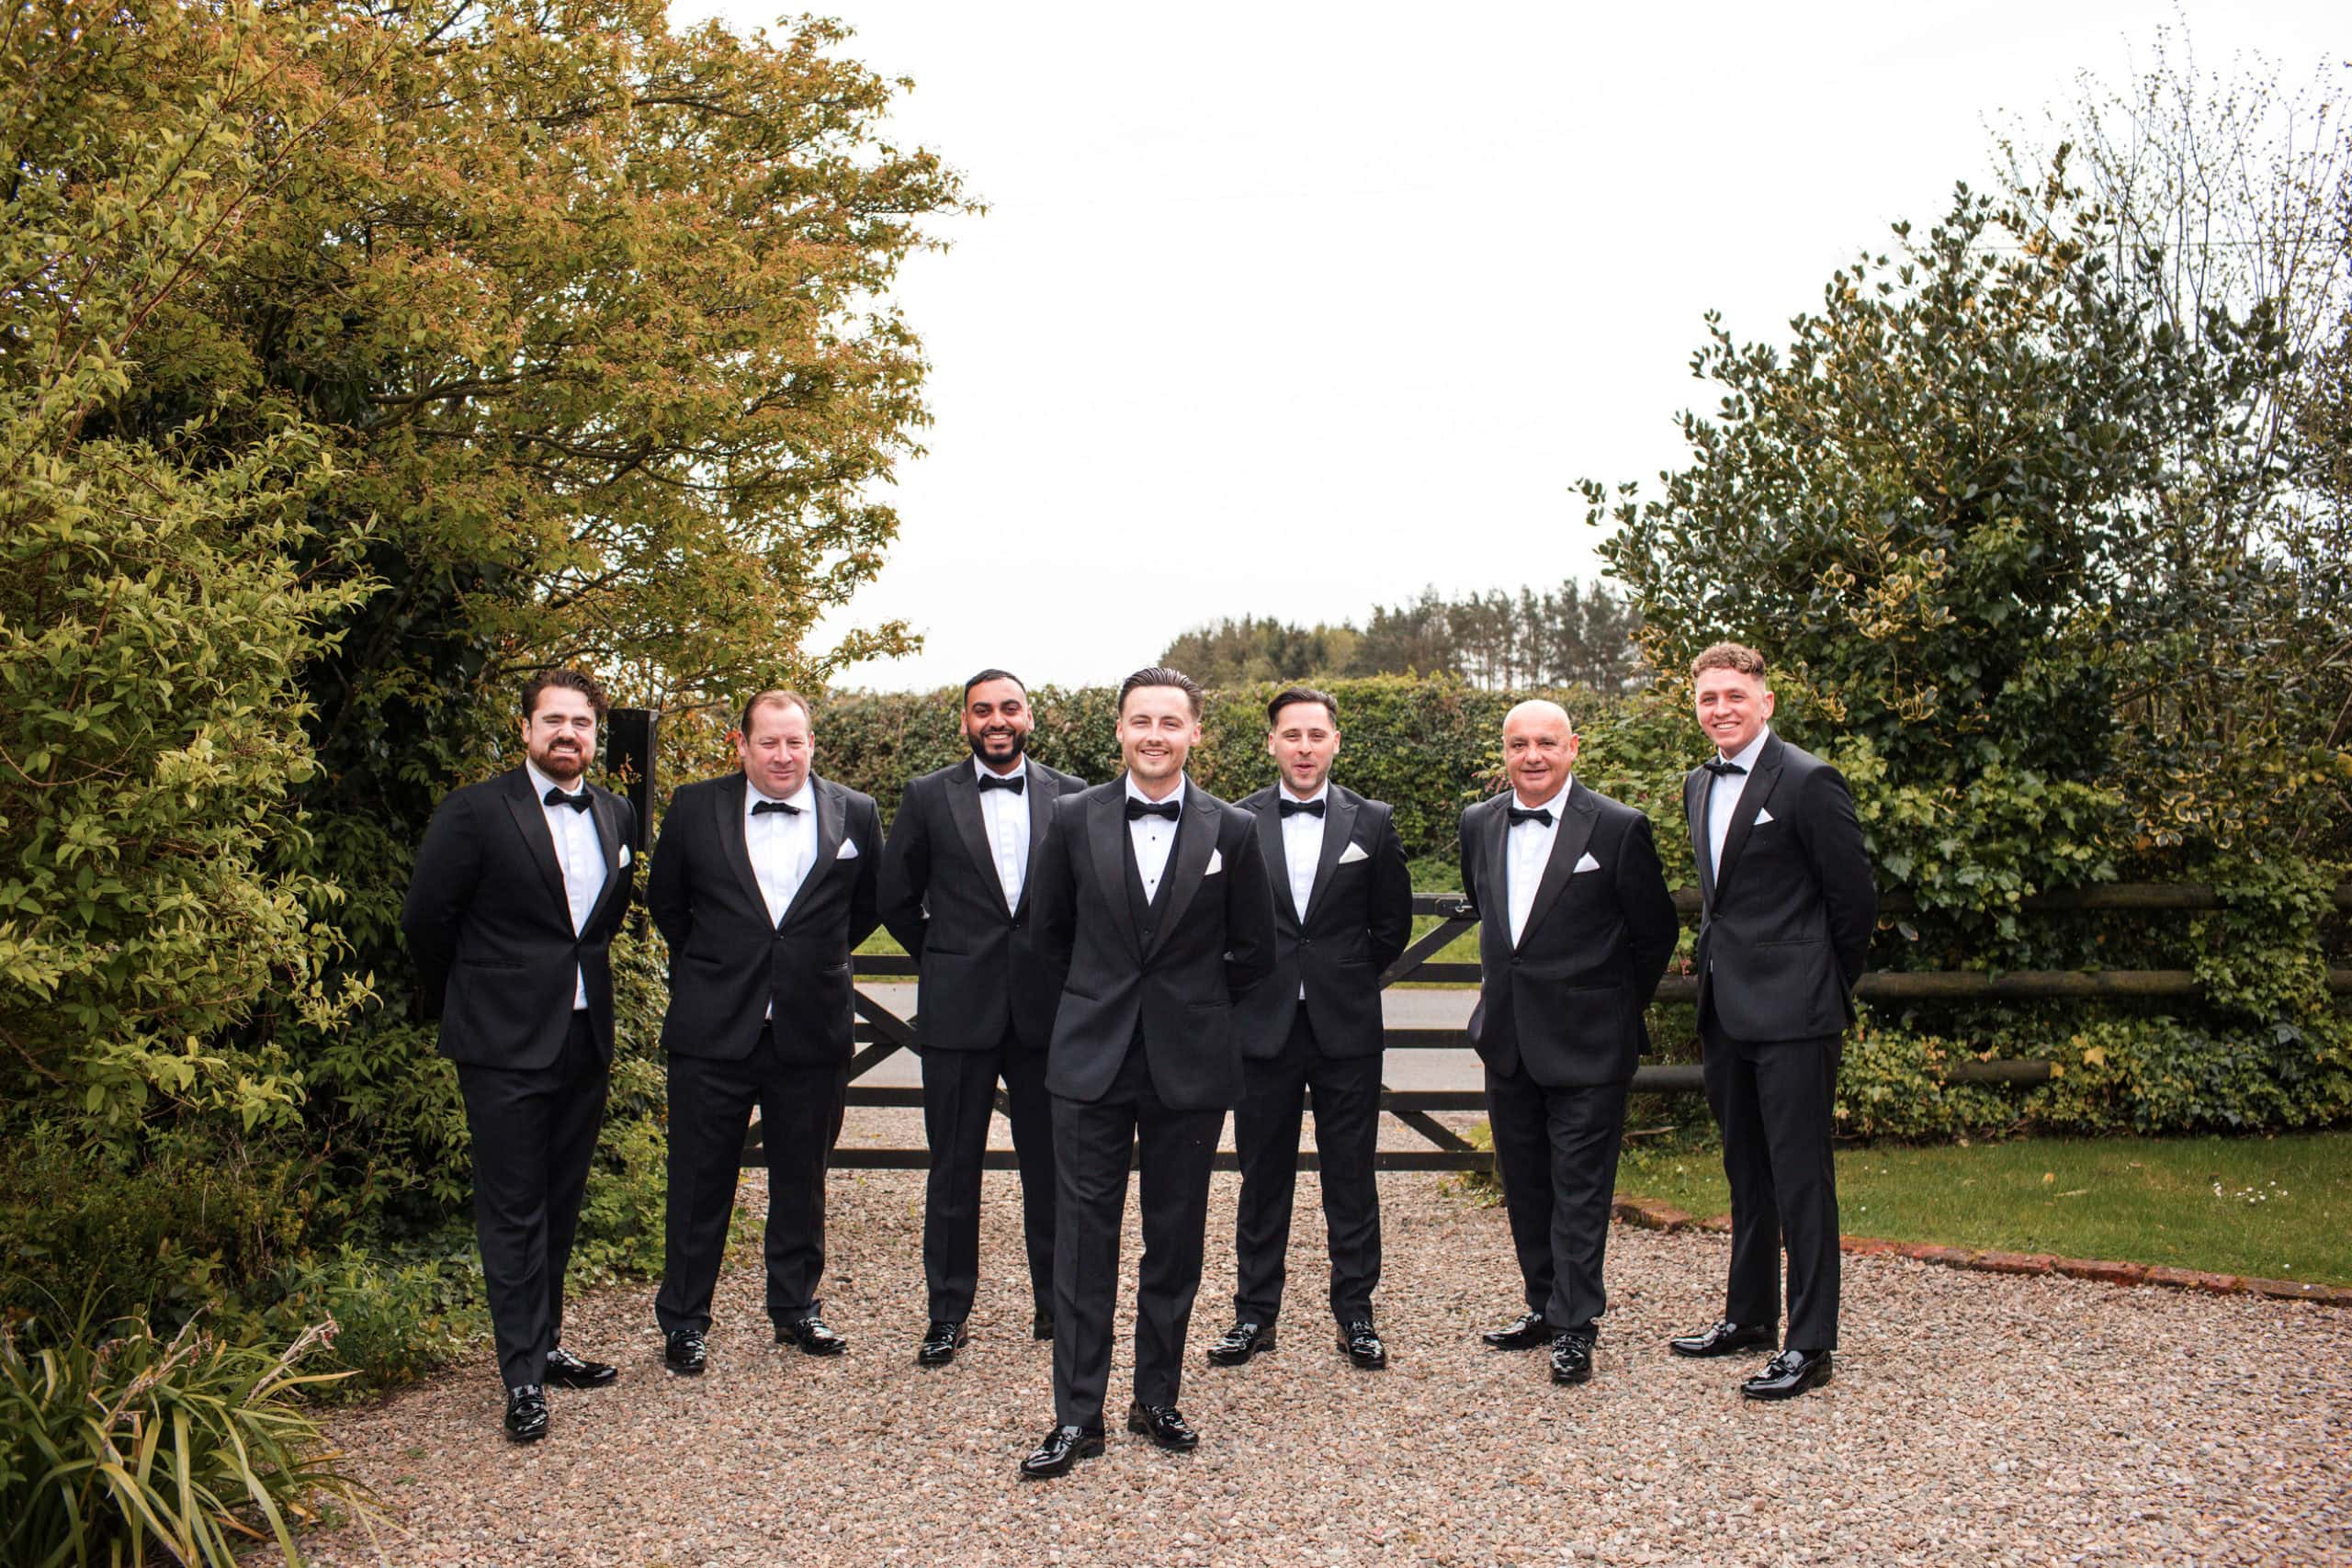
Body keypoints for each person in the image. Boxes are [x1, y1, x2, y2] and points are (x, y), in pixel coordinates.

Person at [1017, 667, 1277, 1480]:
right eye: (1141, 721)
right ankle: (1077, 1416)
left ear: (1197, 731)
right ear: (1120, 730)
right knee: (1083, 1240)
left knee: (1174, 1238)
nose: (1155, 734)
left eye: (1171, 721)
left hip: (1189, 1064)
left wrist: (1190, 1006)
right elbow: (1045, 935)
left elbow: (1255, 950)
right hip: (1091, 1057)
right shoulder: (1069, 818)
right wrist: (1099, 1000)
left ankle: (1155, 1397)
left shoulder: (1232, 831)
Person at [401, 669, 638, 1442]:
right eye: (554, 720)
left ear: (596, 735)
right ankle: (521, 1377)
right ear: (527, 728)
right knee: (512, 1207)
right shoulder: (474, 811)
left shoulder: (616, 811)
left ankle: (547, 1340)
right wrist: (473, 1001)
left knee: (561, 1198)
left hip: (582, 1034)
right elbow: (427, 920)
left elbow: (607, 918)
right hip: (501, 1041)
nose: (568, 733)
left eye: (582, 722)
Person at [645, 690, 881, 1377]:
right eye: (769, 742)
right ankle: (685, 1320)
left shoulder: (856, 813)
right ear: (741, 745)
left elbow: (865, 906)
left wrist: (804, 963)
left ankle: (795, 1307)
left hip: (811, 1025)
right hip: (714, 1027)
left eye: (795, 742)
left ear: (813, 743)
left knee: (803, 1178)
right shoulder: (694, 807)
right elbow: (669, 903)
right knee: (697, 1179)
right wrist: (723, 967)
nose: (783, 755)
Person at [1668, 643, 1875, 1400]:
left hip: (1796, 1012)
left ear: (1766, 700)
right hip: (1726, 1008)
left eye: (1733, 694)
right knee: (1744, 1169)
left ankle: (1810, 1341)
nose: (1719, 707)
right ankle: (1748, 1316)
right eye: (1707, 697)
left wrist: (1821, 984)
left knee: (1800, 1178)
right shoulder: (1697, 782)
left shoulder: (1810, 780)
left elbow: (1853, 902)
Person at [1458, 700, 1677, 1388]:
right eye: (1519, 743)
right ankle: (1543, 1305)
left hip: (1589, 1040)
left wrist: (1611, 1005)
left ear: (1573, 746)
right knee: (1525, 1182)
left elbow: (1653, 933)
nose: (1532, 756)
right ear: (1505, 750)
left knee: (1581, 1187)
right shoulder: (1478, 823)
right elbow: (1491, 914)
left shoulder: (1617, 827)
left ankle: (1577, 1323)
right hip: (1509, 1036)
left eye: (1546, 743)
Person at [878, 669, 1088, 1366]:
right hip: (958, 1009)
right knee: (953, 1166)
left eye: (1009, 707)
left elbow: (1086, 903)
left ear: (1030, 715)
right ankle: (947, 1313)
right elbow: (895, 899)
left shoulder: (1074, 797)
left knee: (1052, 1167)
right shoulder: (927, 795)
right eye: (982, 710)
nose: (996, 720)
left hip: (1046, 1013)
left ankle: (1057, 1308)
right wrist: (945, 955)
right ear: (964, 720)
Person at [1210, 685, 1412, 1373]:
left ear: (1334, 741)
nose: (1303, 747)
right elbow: (1223, 926)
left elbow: (1392, 924)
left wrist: (1344, 975)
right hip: (1261, 1027)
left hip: (1345, 1025)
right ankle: (1253, 1313)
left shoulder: (1372, 821)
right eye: (1291, 734)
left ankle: (1356, 1313)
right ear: (1271, 742)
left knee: (1350, 1175)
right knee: (1260, 1174)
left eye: (1315, 734)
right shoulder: (1235, 821)